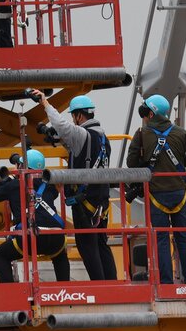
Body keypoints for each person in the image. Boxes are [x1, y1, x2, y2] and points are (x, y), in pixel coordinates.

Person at [31, 90, 117, 281]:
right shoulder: (103, 138)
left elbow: (61, 125)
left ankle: (100, 286)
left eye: (73, 116)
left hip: (84, 201)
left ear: (79, 115)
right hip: (101, 200)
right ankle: (112, 284)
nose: (73, 119)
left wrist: (45, 103)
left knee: (87, 246)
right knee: (101, 243)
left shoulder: (81, 133)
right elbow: (81, 151)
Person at [127, 94, 186, 284]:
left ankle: (166, 282)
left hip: (156, 193)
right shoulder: (181, 133)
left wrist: (147, 162)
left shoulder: (141, 134)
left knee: (161, 237)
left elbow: (131, 163)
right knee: (182, 236)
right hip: (179, 192)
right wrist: (177, 162)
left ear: (151, 114)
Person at [0, 149, 70, 283]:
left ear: (22, 167)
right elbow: (54, 193)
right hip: (56, 236)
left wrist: (6, 179)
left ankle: (10, 292)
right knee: (60, 256)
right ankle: (65, 289)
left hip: (30, 236)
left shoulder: (14, 185)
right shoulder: (49, 186)